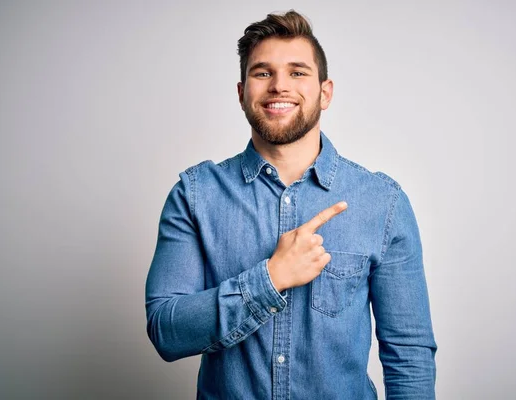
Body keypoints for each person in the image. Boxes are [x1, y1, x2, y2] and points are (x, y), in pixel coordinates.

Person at [145, 10, 437, 399]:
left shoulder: (382, 202)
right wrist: (270, 279)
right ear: (241, 92)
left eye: (298, 72)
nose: (279, 86)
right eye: (262, 73)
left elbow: (409, 355)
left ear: (325, 92)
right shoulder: (195, 195)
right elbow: (166, 331)